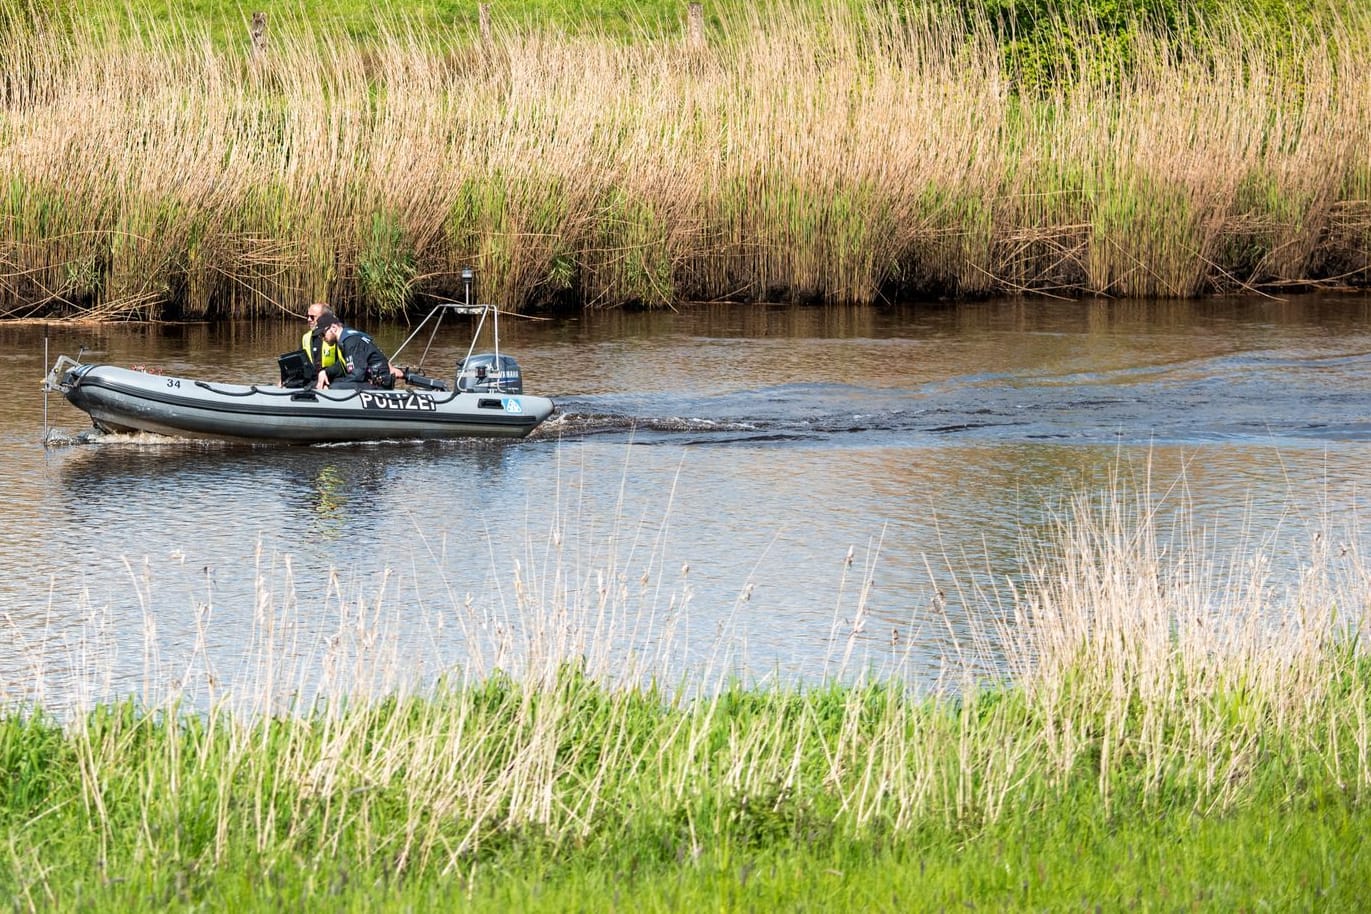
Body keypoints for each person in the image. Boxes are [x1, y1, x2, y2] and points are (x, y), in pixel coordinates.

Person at [315, 312, 397, 390]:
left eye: (322, 334)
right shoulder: (345, 339)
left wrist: (330, 386)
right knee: (330, 382)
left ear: (334, 328)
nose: (322, 339)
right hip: (369, 380)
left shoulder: (351, 342)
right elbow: (344, 365)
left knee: (333, 387)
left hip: (379, 384)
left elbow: (358, 375)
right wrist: (326, 372)